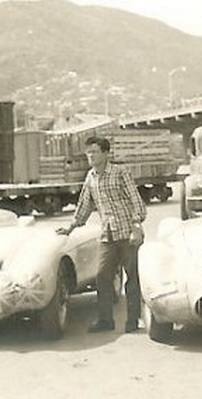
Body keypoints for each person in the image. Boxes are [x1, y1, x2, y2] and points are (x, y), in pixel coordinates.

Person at [56, 136, 147, 333]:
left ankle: (133, 321)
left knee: (133, 278)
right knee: (102, 277)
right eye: (88, 152)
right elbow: (84, 206)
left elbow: (136, 201)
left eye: (95, 152)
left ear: (106, 154)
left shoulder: (120, 172)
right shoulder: (90, 177)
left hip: (127, 233)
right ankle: (106, 321)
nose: (91, 155)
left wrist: (136, 226)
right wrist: (70, 228)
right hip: (108, 235)